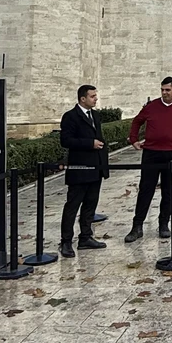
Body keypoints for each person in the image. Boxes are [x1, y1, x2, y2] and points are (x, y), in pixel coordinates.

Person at [124, 77, 172, 243]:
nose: (165, 93)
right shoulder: (151, 107)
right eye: (162, 90)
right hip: (152, 153)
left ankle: (164, 224)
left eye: (168, 90)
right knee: (146, 189)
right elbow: (137, 121)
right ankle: (137, 226)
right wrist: (134, 139)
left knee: (169, 190)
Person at [59, 84, 109, 257]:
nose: (96, 98)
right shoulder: (71, 117)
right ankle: (66, 242)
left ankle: (85, 237)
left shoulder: (95, 115)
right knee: (72, 206)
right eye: (92, 96)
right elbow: (65, 140)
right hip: (79, 169)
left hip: (95, 168)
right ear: (83, 98)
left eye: (96, 95)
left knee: (90, 205)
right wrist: (90, 143)